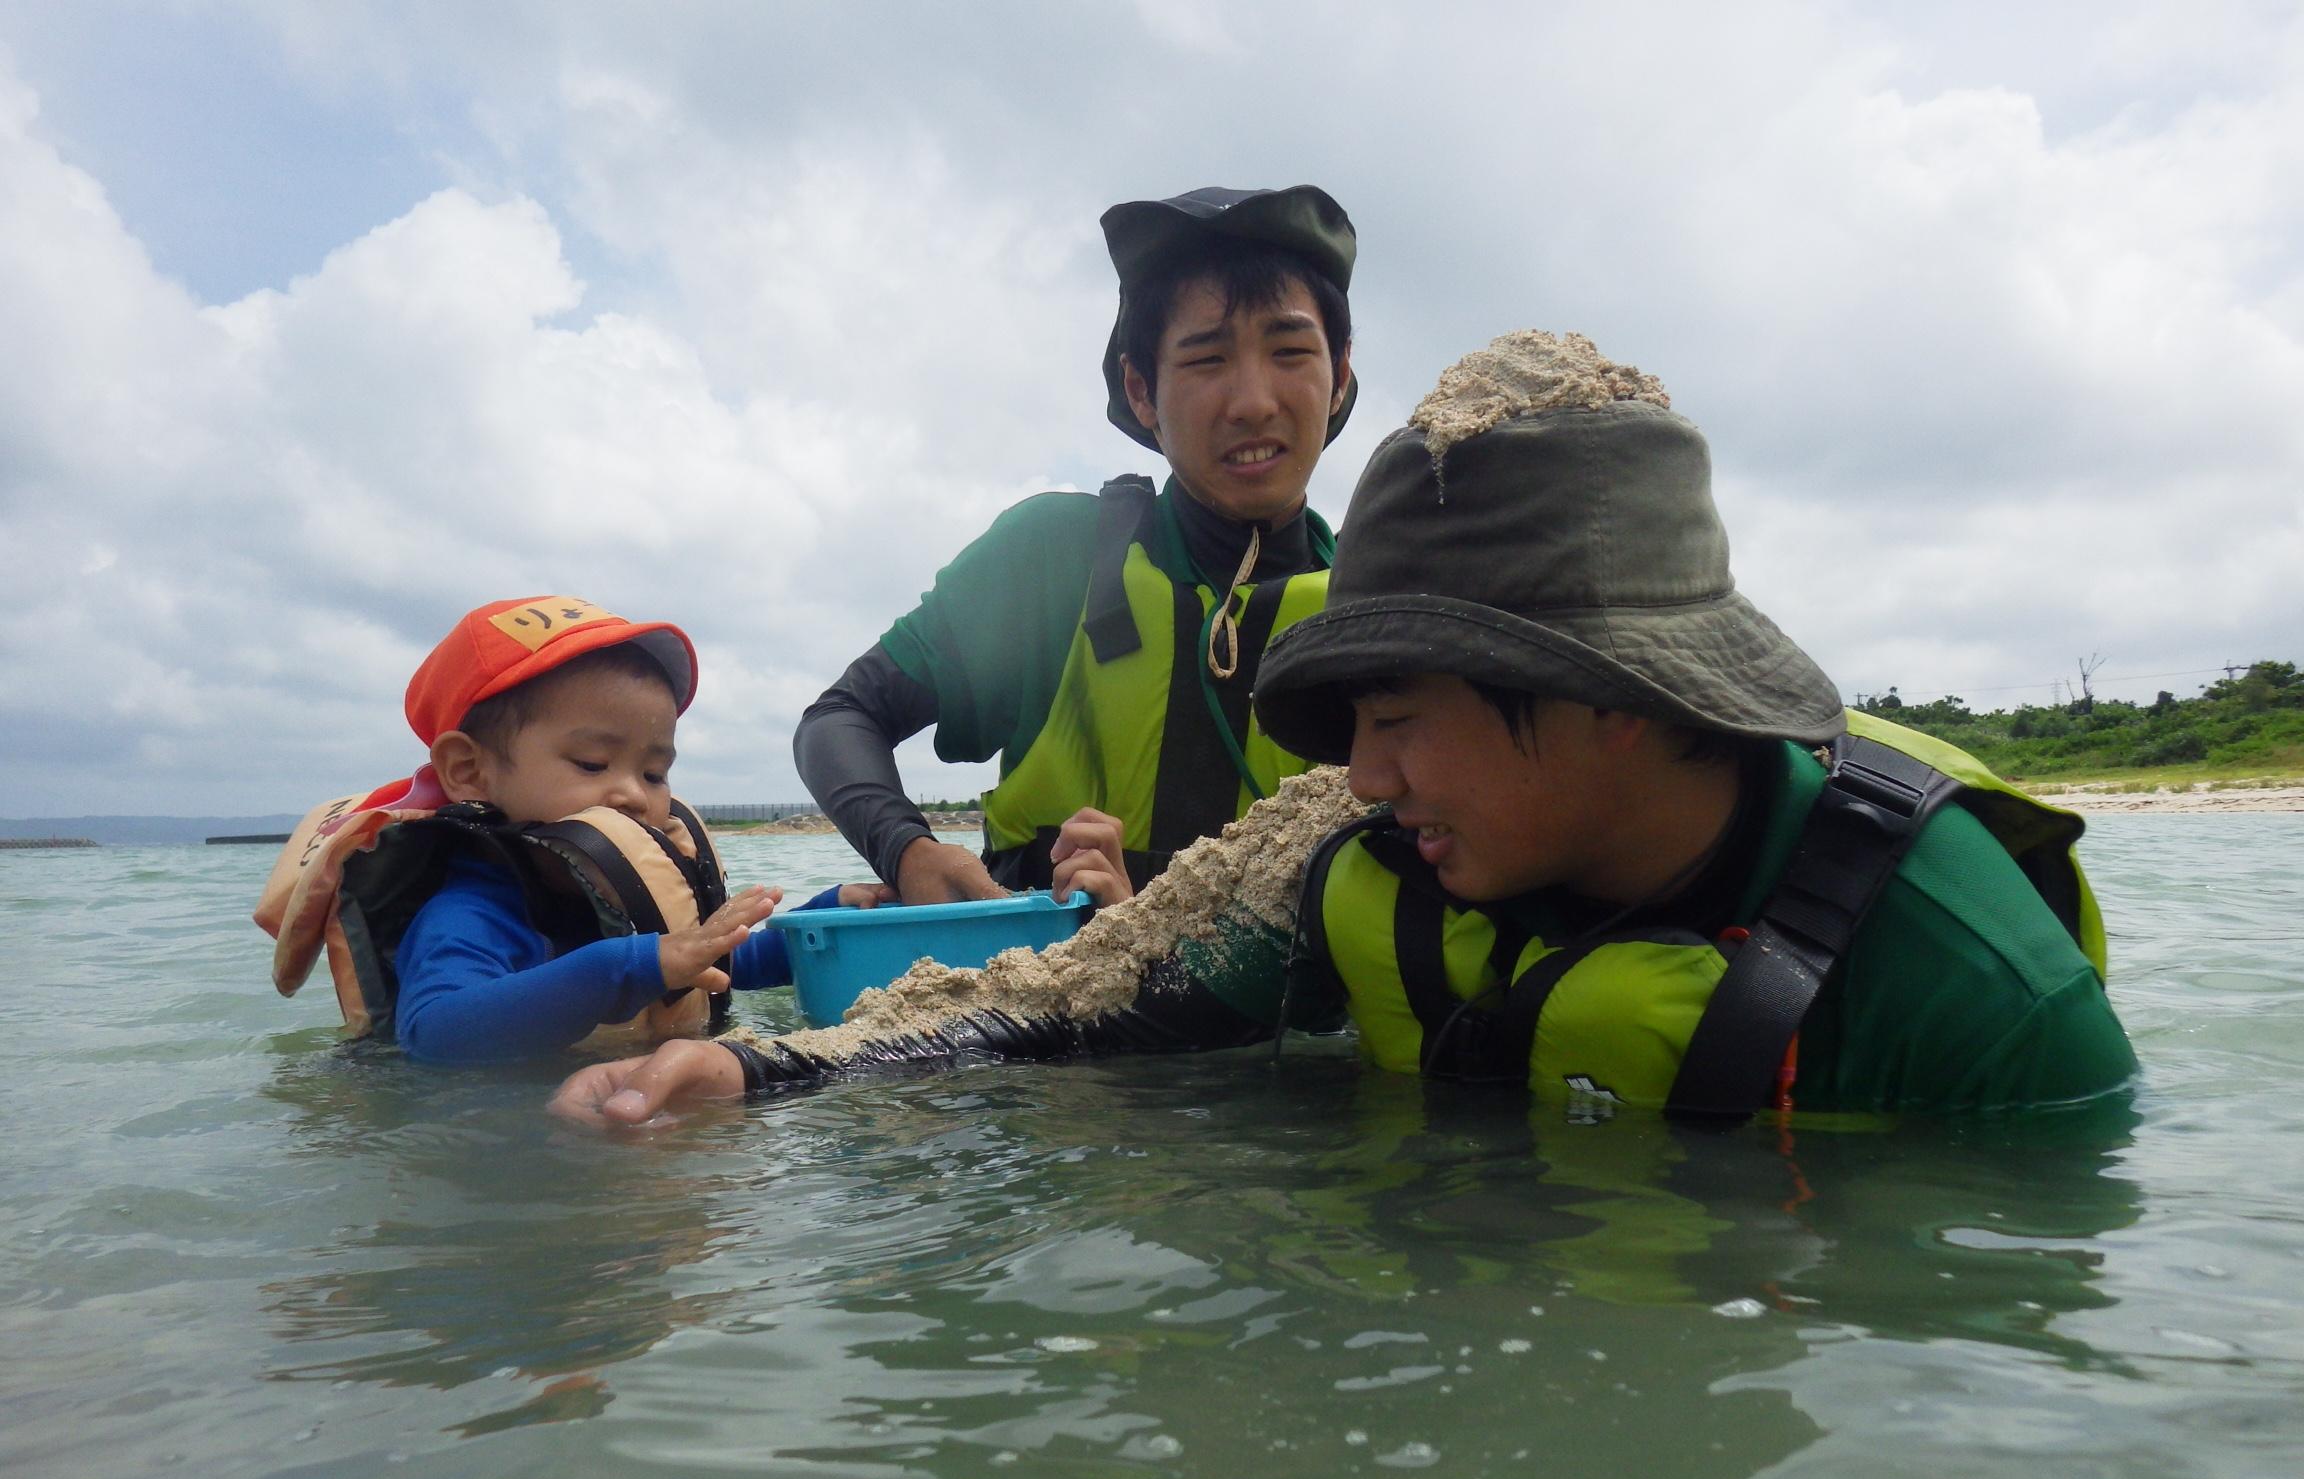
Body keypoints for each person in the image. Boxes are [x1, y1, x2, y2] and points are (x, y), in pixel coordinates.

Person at [551, 334, 2137, 1126]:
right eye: (1348, 721)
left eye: (1396, 716)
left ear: (1626, 702)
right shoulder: (1348, 858)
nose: (1353, 776)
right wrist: (762, 1081)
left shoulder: (1974, 989)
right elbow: (1071, 1007)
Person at [794, 184, 1358, 908]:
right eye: (1207, 361)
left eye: (1289, 351)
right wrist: (908, 849)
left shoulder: (1375, 606)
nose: (1252, 400)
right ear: (1141, 388)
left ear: (1338, 374)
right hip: (1042, 999)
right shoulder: (1052, 561)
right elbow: (841, 717)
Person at [254, 595, 883, 1065]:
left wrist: (827, 921)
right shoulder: (472, 912)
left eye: (656, 770)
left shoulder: (626, 892)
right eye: (591, 764)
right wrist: (631, 966)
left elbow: (724, 968)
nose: (635, 795)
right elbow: (437, 1032)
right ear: (469, 770)